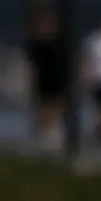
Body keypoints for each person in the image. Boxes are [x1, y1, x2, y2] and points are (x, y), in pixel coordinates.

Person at [24, 11, 69, 152]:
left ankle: (51, 138)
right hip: (44, 81)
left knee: (54, 108)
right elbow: (32, 66)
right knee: (44, 108)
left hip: (56, 80)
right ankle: (41, 137)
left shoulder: (59, 43)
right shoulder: (37, 45)